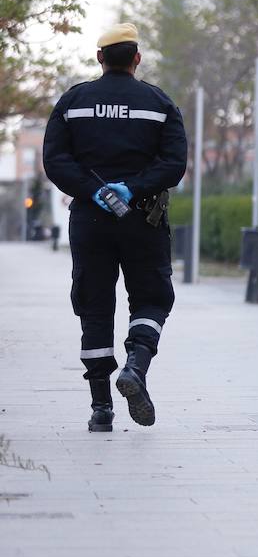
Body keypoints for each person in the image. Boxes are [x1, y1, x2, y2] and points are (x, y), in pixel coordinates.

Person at [42, 23, 187, 431]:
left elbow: (55, 160)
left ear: (100, 59)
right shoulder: (158, 104)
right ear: (137, 59)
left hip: (90, 219)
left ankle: (101, 408)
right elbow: (174, 163)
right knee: (152, 299)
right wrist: (132, 187)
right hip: (143, 218)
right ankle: (136, 366)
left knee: (94, 306)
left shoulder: (74, 102)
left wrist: (94, 191)